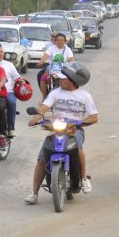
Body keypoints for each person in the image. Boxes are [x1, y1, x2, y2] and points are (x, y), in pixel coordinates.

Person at [25, 61, 97, 204]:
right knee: (42, 158)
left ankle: (83, 178)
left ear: (72, 81)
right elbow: (44, 108)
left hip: (74, 129)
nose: (59, 80)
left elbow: (94, 117)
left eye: (63, 78)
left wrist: (80, 123)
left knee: (78, 148)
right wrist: (36, 118)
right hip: (56, 128)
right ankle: (34, 193)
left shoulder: (85, 96)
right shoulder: (55, 92)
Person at [0, 43, 22, 138]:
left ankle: (11, 128)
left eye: (1, 51)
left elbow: (17, 77)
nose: (0, 54)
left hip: (8, 92)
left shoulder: (9, 65)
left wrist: (22, 82)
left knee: (11, 102)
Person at [37, 33, 75, 100]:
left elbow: (71, 59)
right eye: (58, 40)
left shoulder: (68, 50)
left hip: (64, 70)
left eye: (62, 40)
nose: (60, 41)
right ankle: (44, 98)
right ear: (55, 41)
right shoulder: (51, 48)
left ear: (65, 41)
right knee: (42, 78)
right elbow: (46, 55)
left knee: (73, 80)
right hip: (52, 68)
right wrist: (41, 62)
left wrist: (73, 64)